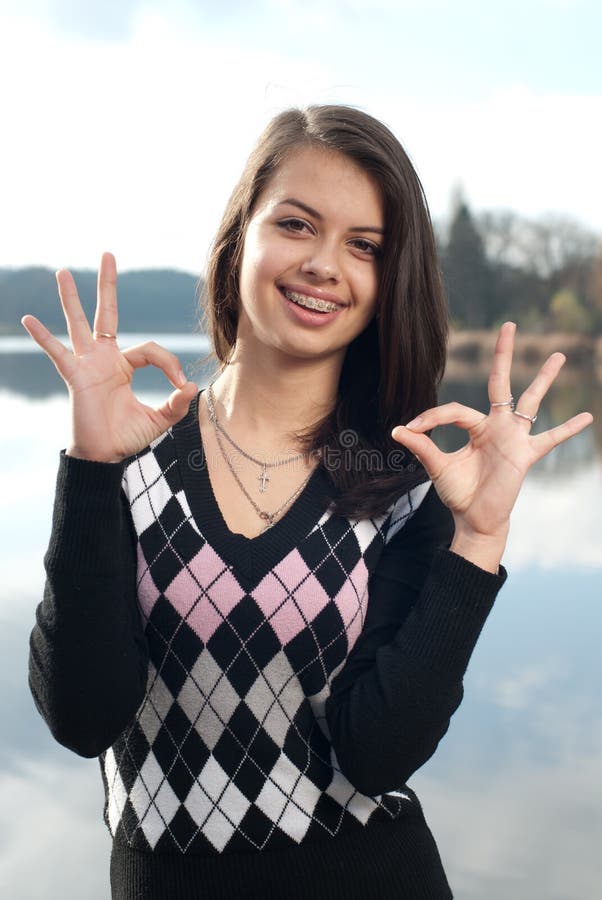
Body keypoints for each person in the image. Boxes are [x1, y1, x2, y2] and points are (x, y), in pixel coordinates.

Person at [23, 105, 592, 900]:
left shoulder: (406, 477)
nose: (326, 264)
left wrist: (480, 537)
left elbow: (379, 752)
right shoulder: (130, 448)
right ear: (239, 239)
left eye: (365, 246)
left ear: (387, 281)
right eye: (297, 224)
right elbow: (82, 716)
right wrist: (90, 469)